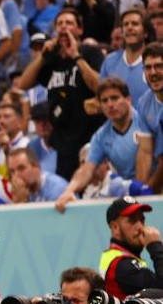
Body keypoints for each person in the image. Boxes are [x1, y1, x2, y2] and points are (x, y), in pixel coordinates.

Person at [14, 7, 105, 180]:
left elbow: (99, 86)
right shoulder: (52, 59)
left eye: (69, 23)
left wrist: (76, 56)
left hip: (90, 137)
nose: (63, 27)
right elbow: (23, 83)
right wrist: (42, 56)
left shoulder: (89, 52)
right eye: (60, 24)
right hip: (63, 141)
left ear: (80, 29)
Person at [55, 79, 153, 213]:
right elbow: (86, 169)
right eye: (105, 101)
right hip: (130, 196)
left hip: (156, 189)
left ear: (128, 99)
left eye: (114, 98)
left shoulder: (146, 120)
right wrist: (68, 191)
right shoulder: (100, 137)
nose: (110, 104)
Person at [98, 197, 163, 299]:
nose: (140, 227)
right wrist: (155, 247)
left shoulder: (120, 258)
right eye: (132, 221)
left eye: (142, 220)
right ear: (115, 227)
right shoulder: (120, 264)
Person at [99, 8, 148, 101]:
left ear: (145, 32)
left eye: (135, 24)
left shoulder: (154, 62)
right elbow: (102, 95)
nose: (129, 27)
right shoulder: (109, 61)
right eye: (126, 25)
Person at [135, 43, 163, 190]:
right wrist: (141, 187)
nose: (153, 72)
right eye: (148, 67)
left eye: (159, 66)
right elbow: (145, 151)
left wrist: (149, 189)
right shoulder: (144, 103)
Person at [6, 148, 70, 203]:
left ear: (37, 167)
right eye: (12, 171)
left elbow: (48, 217)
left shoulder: (57, 190)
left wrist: (21, 202)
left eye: (21, 168)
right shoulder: (21, 190)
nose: (16, 175)